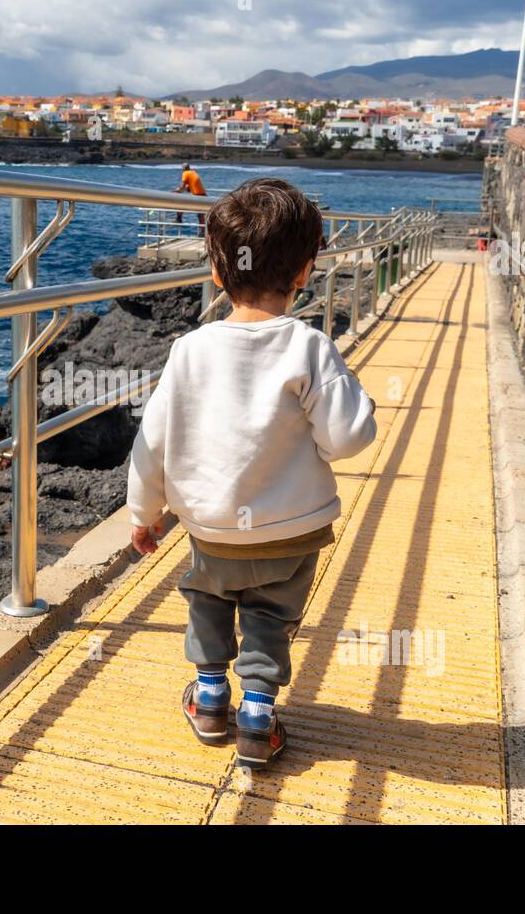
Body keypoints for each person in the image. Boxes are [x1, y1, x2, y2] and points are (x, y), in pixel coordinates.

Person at [126, 178, 378, 768]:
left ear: (217, 270)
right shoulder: (310, 347)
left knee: (208, 599)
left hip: (212, 529)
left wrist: (146, 516)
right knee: (271, 616)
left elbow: (151, 444)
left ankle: (211, 701)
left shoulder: (189, 350)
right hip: (292, 530)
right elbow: (347, 439)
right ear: (306, 272)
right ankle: (257, 721)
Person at [174, 162, 207, 231]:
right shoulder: (193, 172)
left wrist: (175, 191)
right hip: (203, 194)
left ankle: (178, 219)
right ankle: (202, 231)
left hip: (197, 195)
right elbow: (189, 186)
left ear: (183, 169)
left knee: (180, 204)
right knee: (200, 214)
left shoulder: (185, 173)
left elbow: (182, 187)